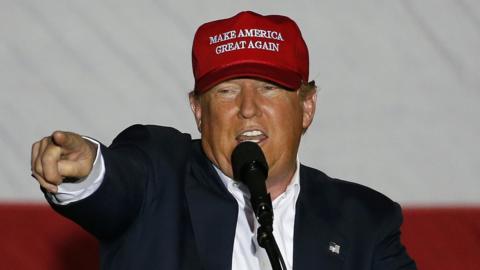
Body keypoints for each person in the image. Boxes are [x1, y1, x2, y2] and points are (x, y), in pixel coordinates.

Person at [31, 11, 416, 270]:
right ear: (199, 111)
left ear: (306, 107)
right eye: (227, 91)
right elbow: (116, 181)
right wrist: (86, 172)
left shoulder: (364, 221)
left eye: (269, 88)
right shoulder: (158, 178)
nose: (249, 108)